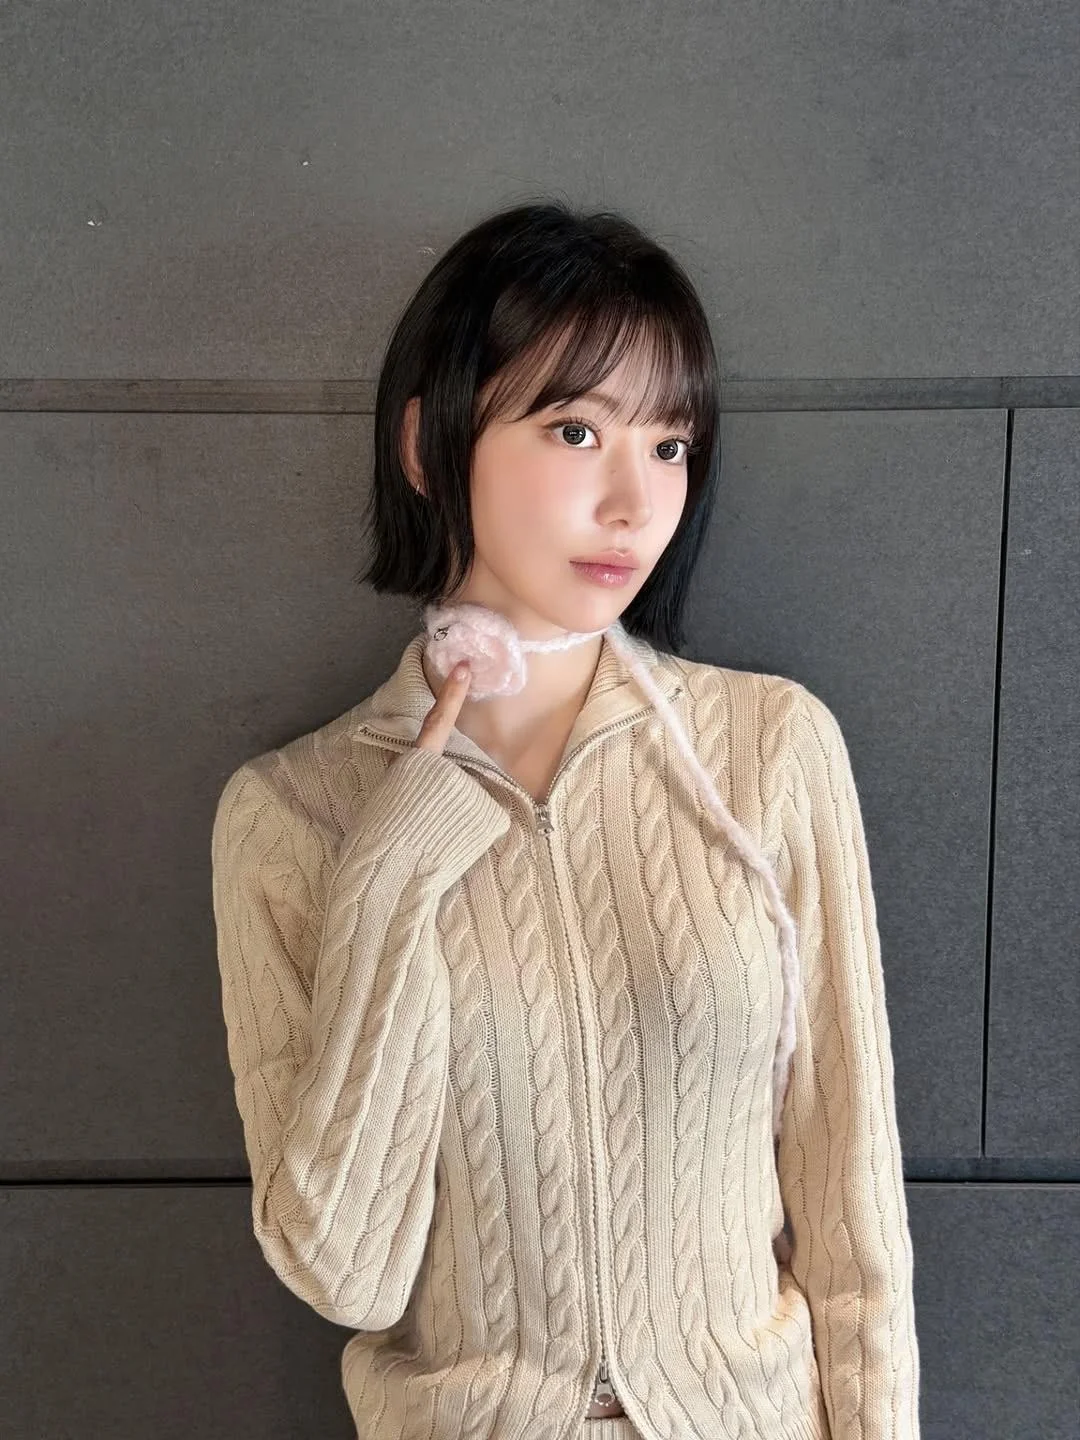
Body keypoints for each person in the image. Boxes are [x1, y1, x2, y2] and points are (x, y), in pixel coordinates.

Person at [210, 199, 921, 1440]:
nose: (636, 501)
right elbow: (347, 1268)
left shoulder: (769, 749)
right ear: (429, 445)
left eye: (670, 445)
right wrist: (395, 862)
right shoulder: (290, 816)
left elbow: (852, 1204)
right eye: (576, 429)